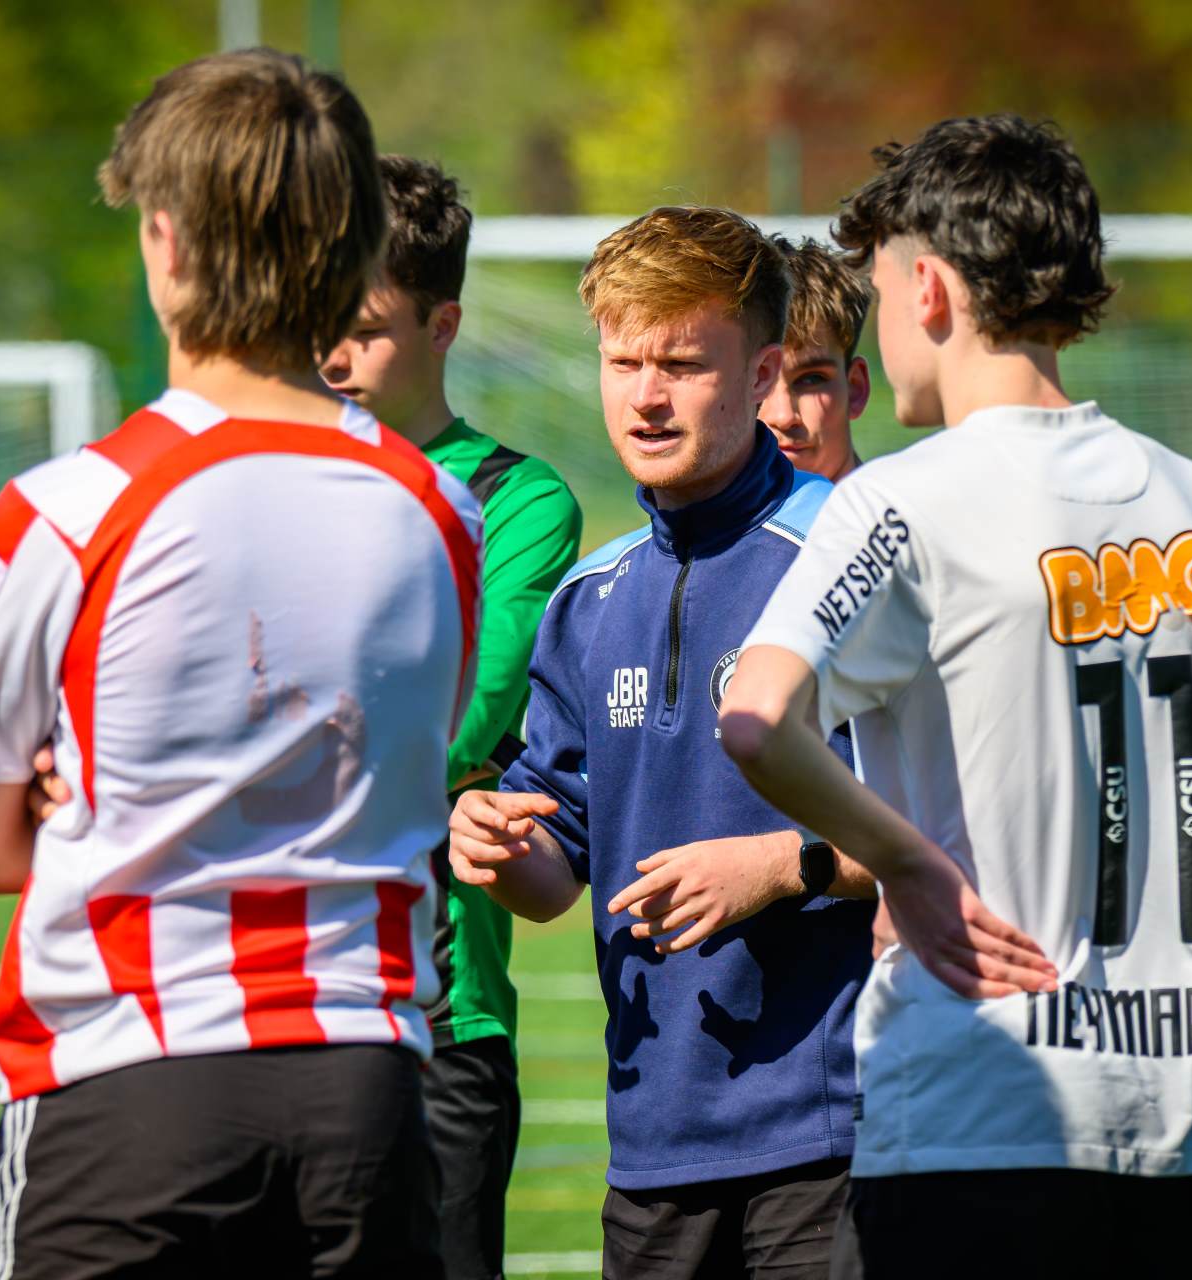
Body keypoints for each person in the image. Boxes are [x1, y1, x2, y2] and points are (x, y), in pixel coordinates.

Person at [713, 113, 1192, 1280]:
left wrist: (909, 864)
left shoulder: (901, 500)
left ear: (928, 288)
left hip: (971, 1110)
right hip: (1166, 1125)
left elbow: (757, 714)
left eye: (878, 291)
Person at [0, 51, 480, 1275]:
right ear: (354, 251)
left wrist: (92, 795)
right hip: (369, 1089)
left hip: (131, 1084)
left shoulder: (67, 509)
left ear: (164, 242)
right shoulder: (442, 510)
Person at [448, 204, 877, 1279]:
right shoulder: (589, 598)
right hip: (652, 1137)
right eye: (623, 362)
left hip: (836, 1131)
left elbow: (962, 823)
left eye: (682, 364)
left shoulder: (851, 557)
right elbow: (554, 876)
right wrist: (494, 838)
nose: (646, 395)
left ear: (762, 372)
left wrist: (778, 865)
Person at [320, 153, 583, 1280]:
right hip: (252, 1008)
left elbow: (468, 720)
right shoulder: (254, 480)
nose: (329, 355)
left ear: (443, 324)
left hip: (438, 1011)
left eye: (362, 329)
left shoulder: (516, 499)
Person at [762, 235, 872, 482]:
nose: (784, 417)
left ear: (856, 388)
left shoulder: (906, 505)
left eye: (811, 379)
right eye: (758, 380)